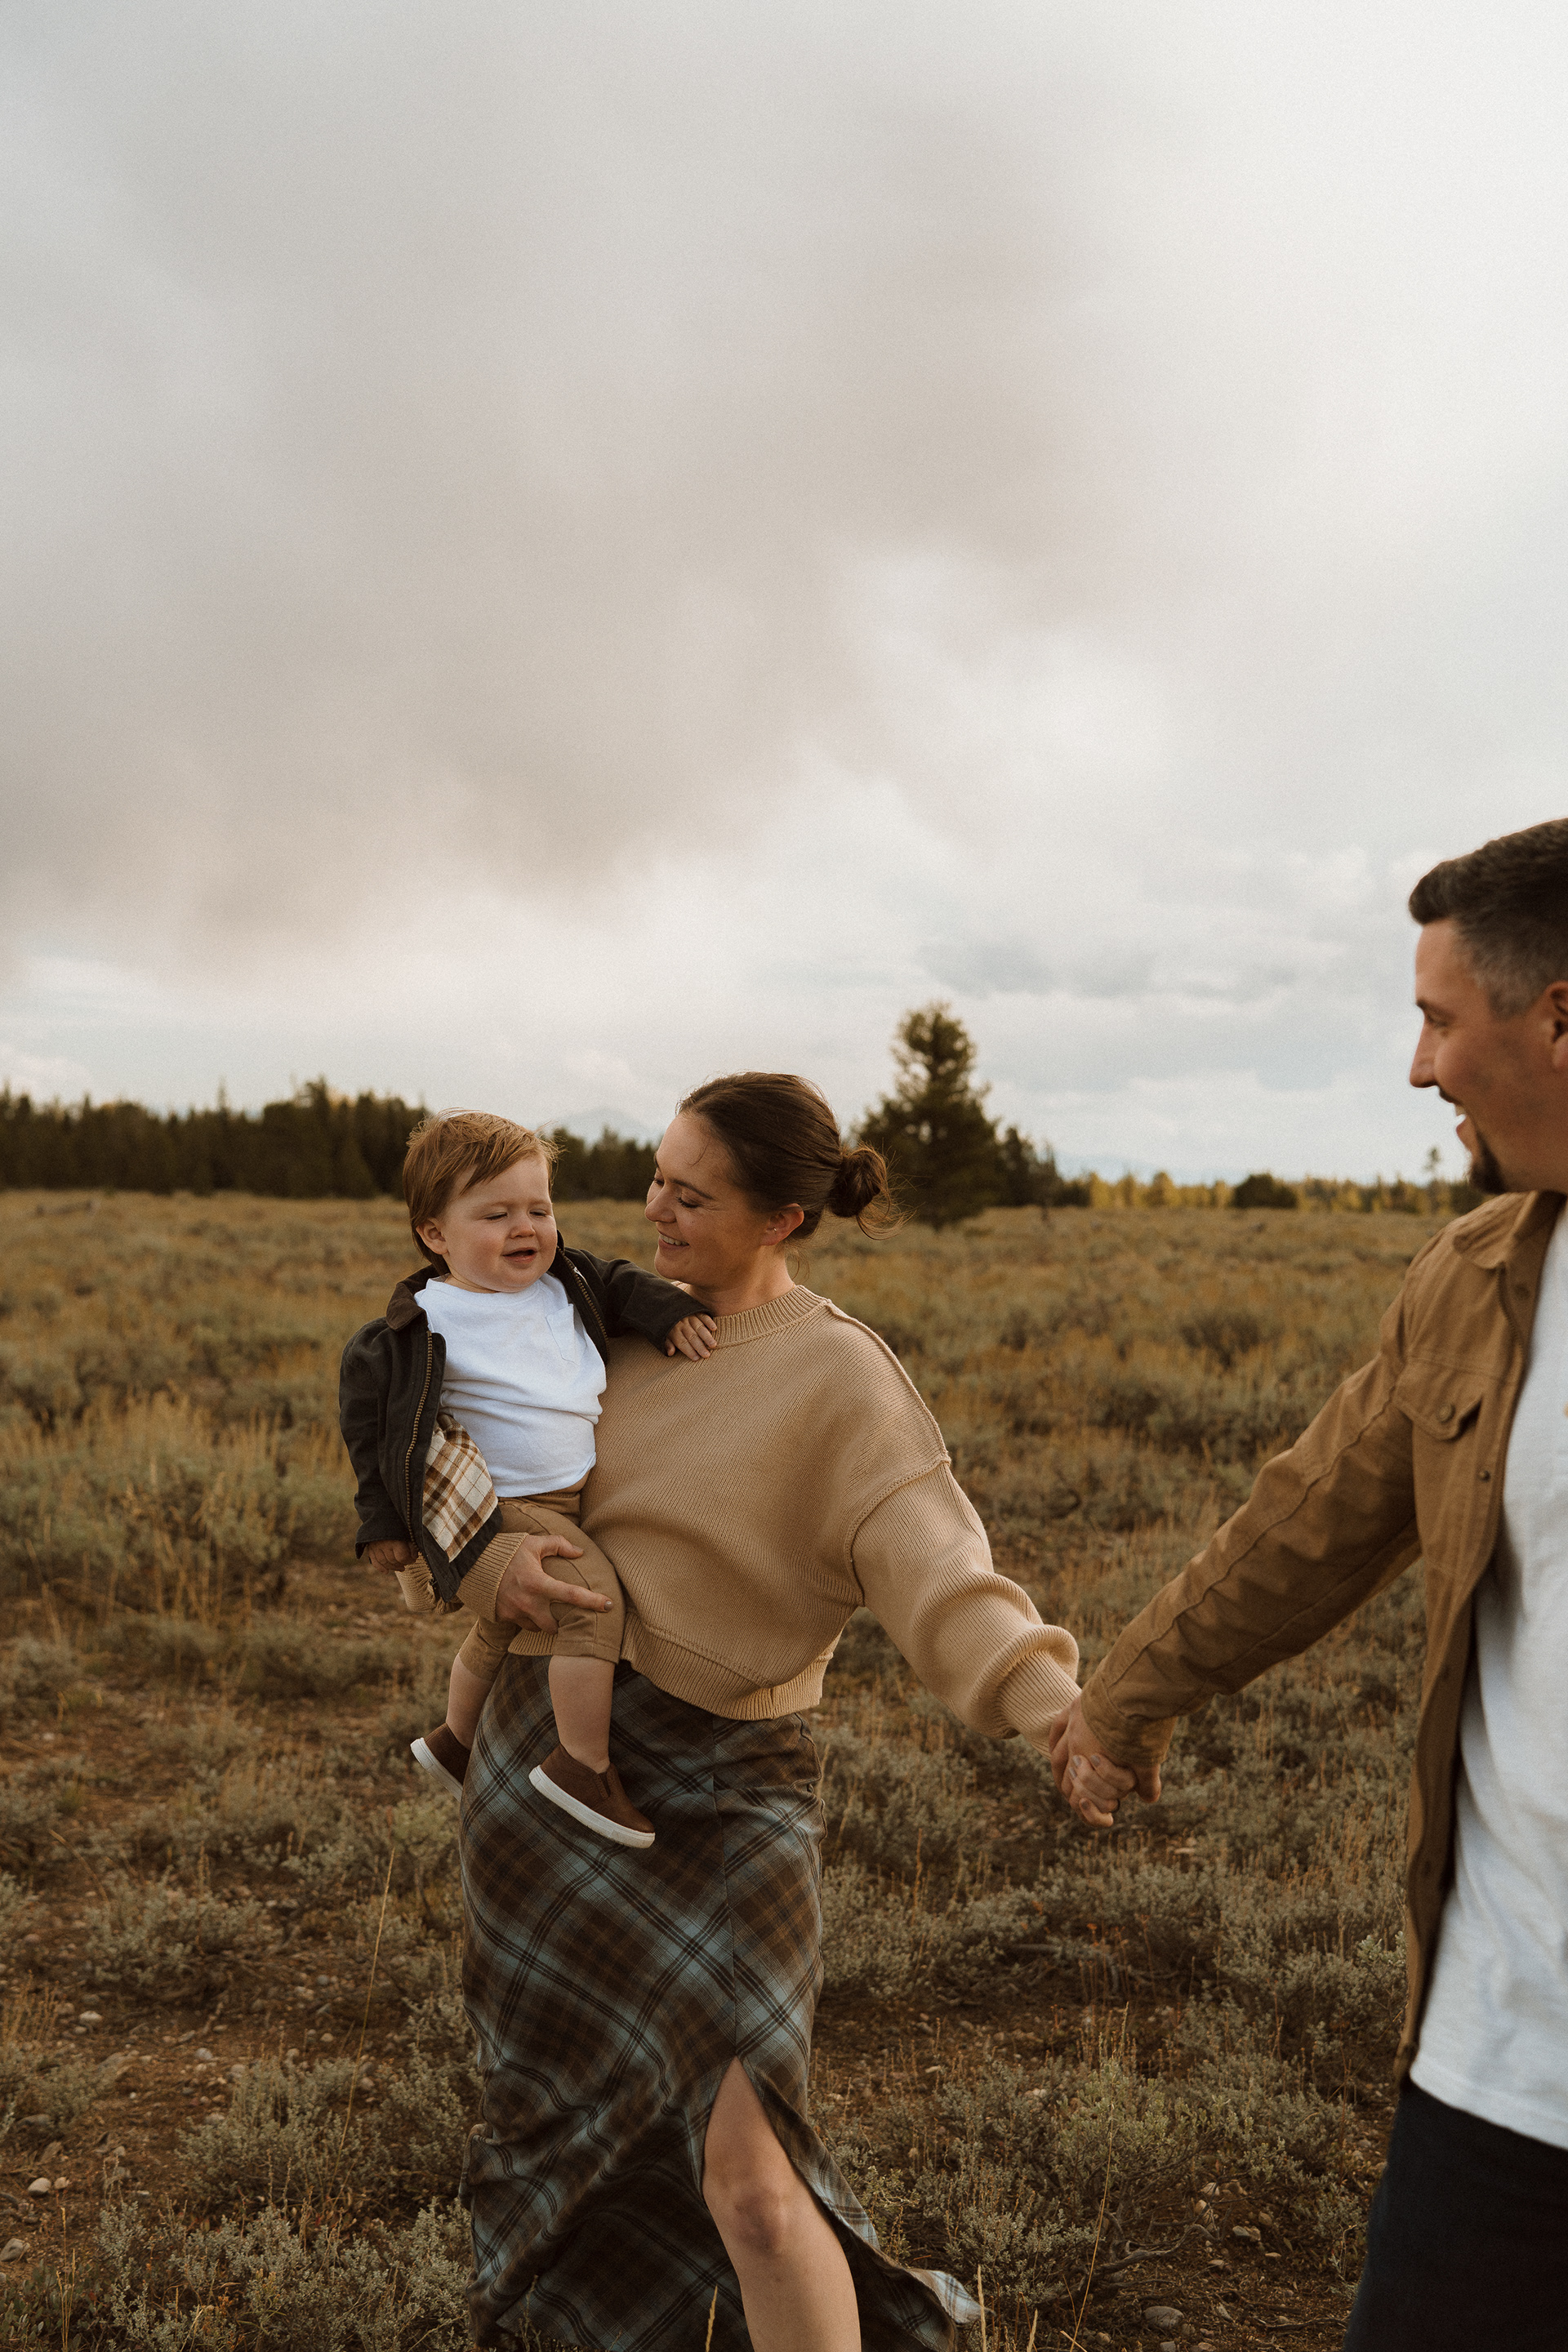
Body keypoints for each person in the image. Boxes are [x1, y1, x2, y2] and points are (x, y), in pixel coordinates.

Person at [447, 1071, 1085, 2352]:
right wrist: (486, 1562)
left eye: (692, 1195)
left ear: (785, 1218)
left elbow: (942, 1572)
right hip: (546, 1779)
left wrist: (1054, 1708)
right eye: (655, 1180)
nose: (655, 1211)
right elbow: (453, 1479)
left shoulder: (841, 1378)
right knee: (562, 2137)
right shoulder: (597, 1329)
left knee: (752, 2179)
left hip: (726, 1790)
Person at [1047, 817, 1568, 2352]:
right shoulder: (1477, 1282)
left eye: (1438, 1019)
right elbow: (1312, 1518)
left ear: (1560, 1015)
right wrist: (1128, 1696)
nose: (1420, 1068)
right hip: (1508, 2057)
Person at [339, 1108, 716, 1846]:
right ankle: (583, 1765)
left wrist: (668, 1312)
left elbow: (624, 1284)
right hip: (499, 1500)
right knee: (591, 1602)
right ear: (435, 1234)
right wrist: (381, 1521)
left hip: (570, 1493)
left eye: (539, 1210)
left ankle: (456, 1739)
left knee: (500, 1625)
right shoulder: (423, 1323)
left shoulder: (565, 1282)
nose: (526, 1229)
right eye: (497, 1215)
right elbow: (370, 1429)